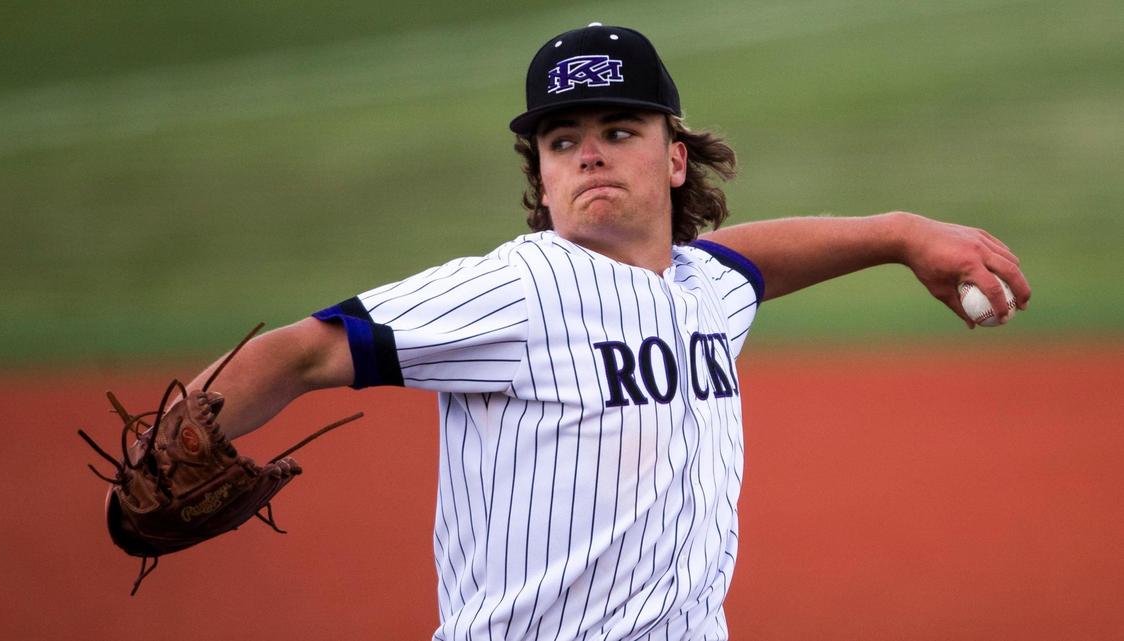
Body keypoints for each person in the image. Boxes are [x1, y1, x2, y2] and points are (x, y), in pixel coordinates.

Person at [182, 23, 1030, 641]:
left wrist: (900, 234)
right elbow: (302, 350)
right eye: (563, 141)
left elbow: (751, 259)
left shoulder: (704, 287)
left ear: (674, 159)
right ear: (543, 177)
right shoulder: (517, 290)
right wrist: (173, 433)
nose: (589, 154)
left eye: (619, 132)